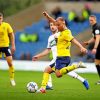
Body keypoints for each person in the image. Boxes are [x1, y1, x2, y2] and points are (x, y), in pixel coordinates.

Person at [32, 22, 89, 93]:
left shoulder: (62, 34)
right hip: (56, 59)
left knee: (49, 71)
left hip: (62, 57)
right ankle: (46, 87)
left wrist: (81, 47)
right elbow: (48, 50)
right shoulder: (50, 38)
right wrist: (38, 55)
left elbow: (71, 38)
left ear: (58, 26)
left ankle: (46, 86)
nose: (52, 26)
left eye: (54, 25)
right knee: (51, 71)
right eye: (51, 25)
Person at [83, 15, 100, 85]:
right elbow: (94, 38)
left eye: (92, 20)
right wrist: (88, 42)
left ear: (95, 20)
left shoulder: (96, 27)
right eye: (89, 20)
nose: (90, 22)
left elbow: (98, 38)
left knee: (97, 63)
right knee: (97, 63)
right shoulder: (94, 27)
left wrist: (95, 48)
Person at [0, 12, 16, 86]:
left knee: (10, 63)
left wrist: (13, 45)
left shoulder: (6, 25)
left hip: (6, 47)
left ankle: (12, 79)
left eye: (0, 18)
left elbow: (11, 35)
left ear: (2, 18)